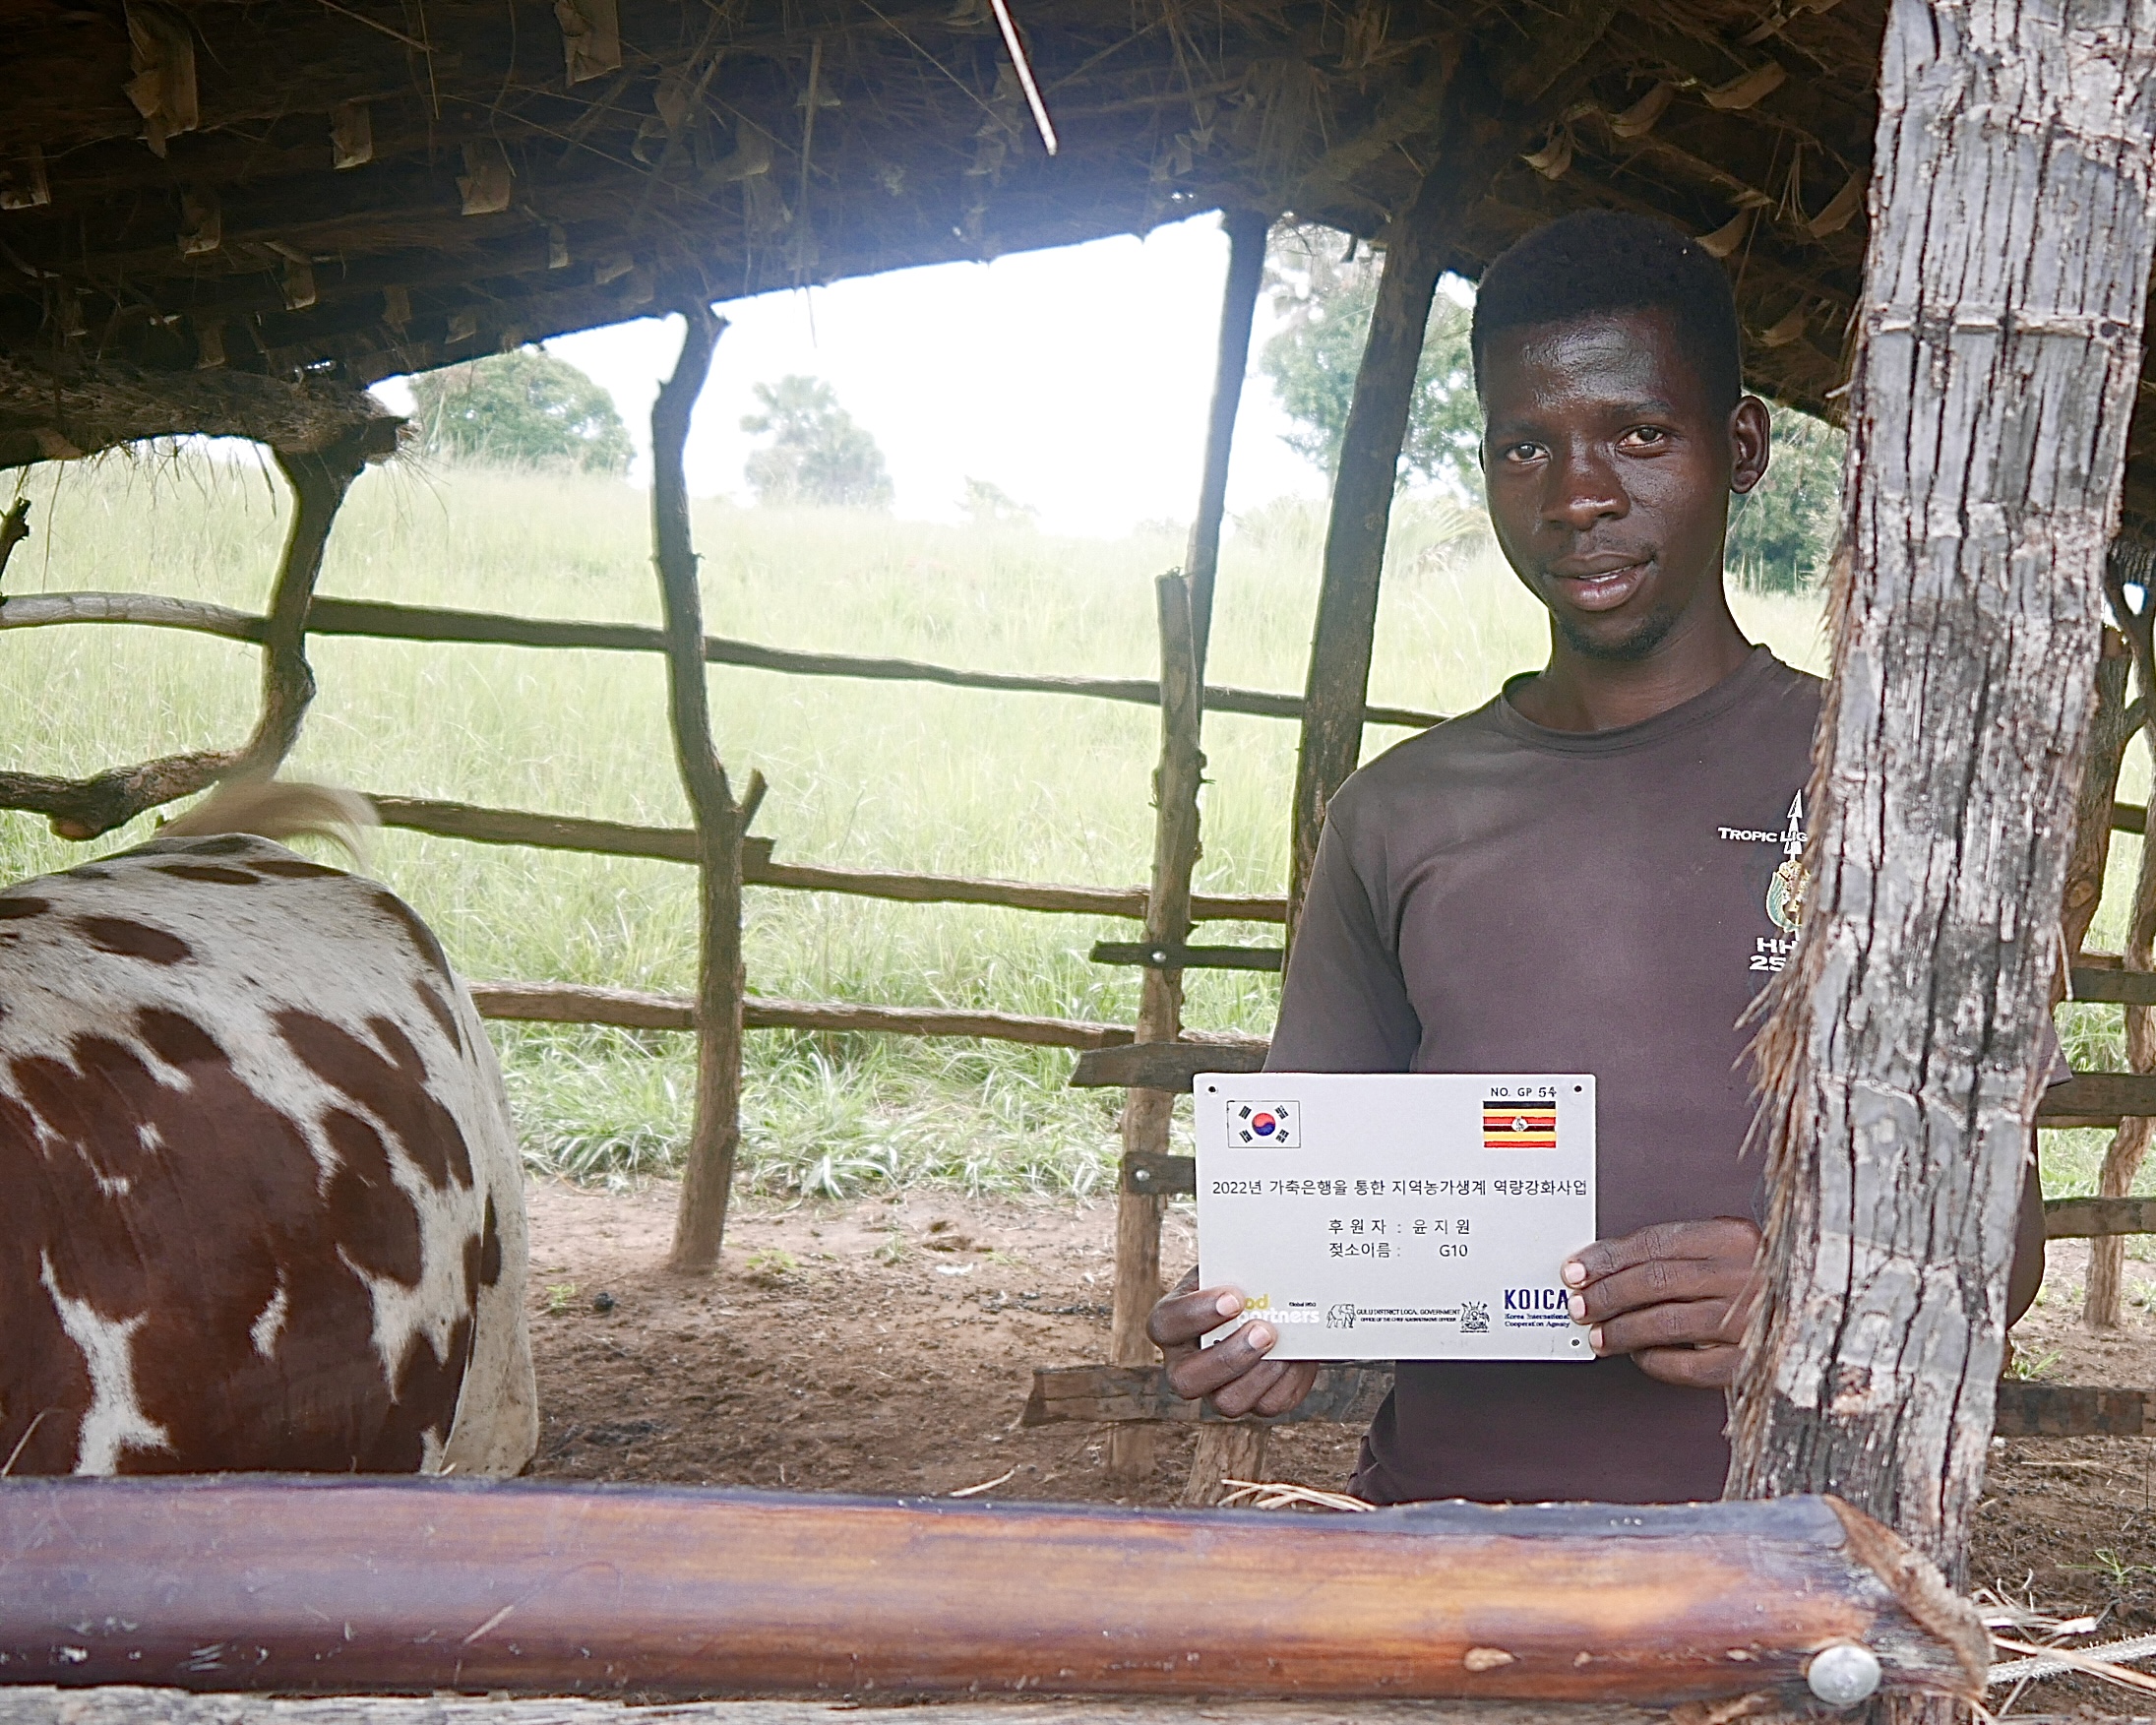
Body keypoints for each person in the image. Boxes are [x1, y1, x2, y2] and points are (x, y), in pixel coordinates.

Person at [1148, 210, 2049, 1505]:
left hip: (1795, 1558)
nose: (1579, 498)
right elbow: (1321, 1202)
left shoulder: (1889, 795)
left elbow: (2004, 1246)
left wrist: (1815, 1292)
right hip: (1440, 1556)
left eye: (1639, 435)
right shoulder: (1397, 815)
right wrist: (1269, 1308)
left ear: (1743, 448)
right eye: (1528, 447)